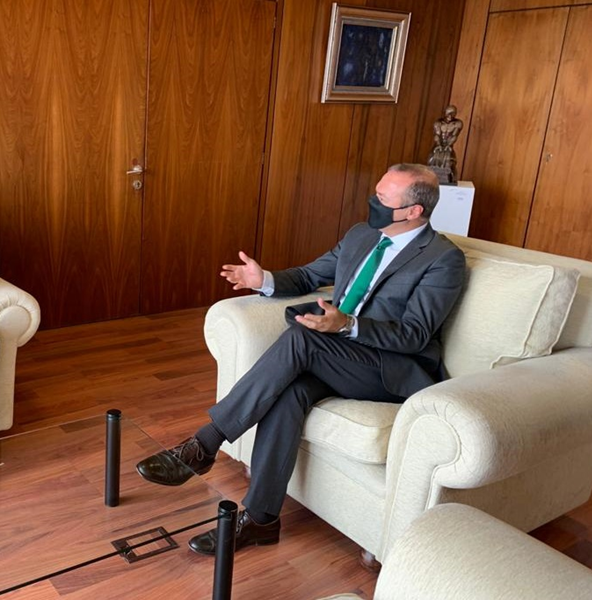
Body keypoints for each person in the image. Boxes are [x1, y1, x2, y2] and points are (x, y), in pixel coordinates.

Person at [136, 163, 466, 555]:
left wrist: (346, 324)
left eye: (382, 199)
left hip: (389, 368)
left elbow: (413, 335)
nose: (371, 202)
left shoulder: (443, 259)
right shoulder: (362, 235)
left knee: (302, 340)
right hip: (340, 356)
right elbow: (310, 275)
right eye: (375, 192)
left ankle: (204, 444)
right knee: (290, 391)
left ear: (413, 212)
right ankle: (261, 520)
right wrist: (265, 280)